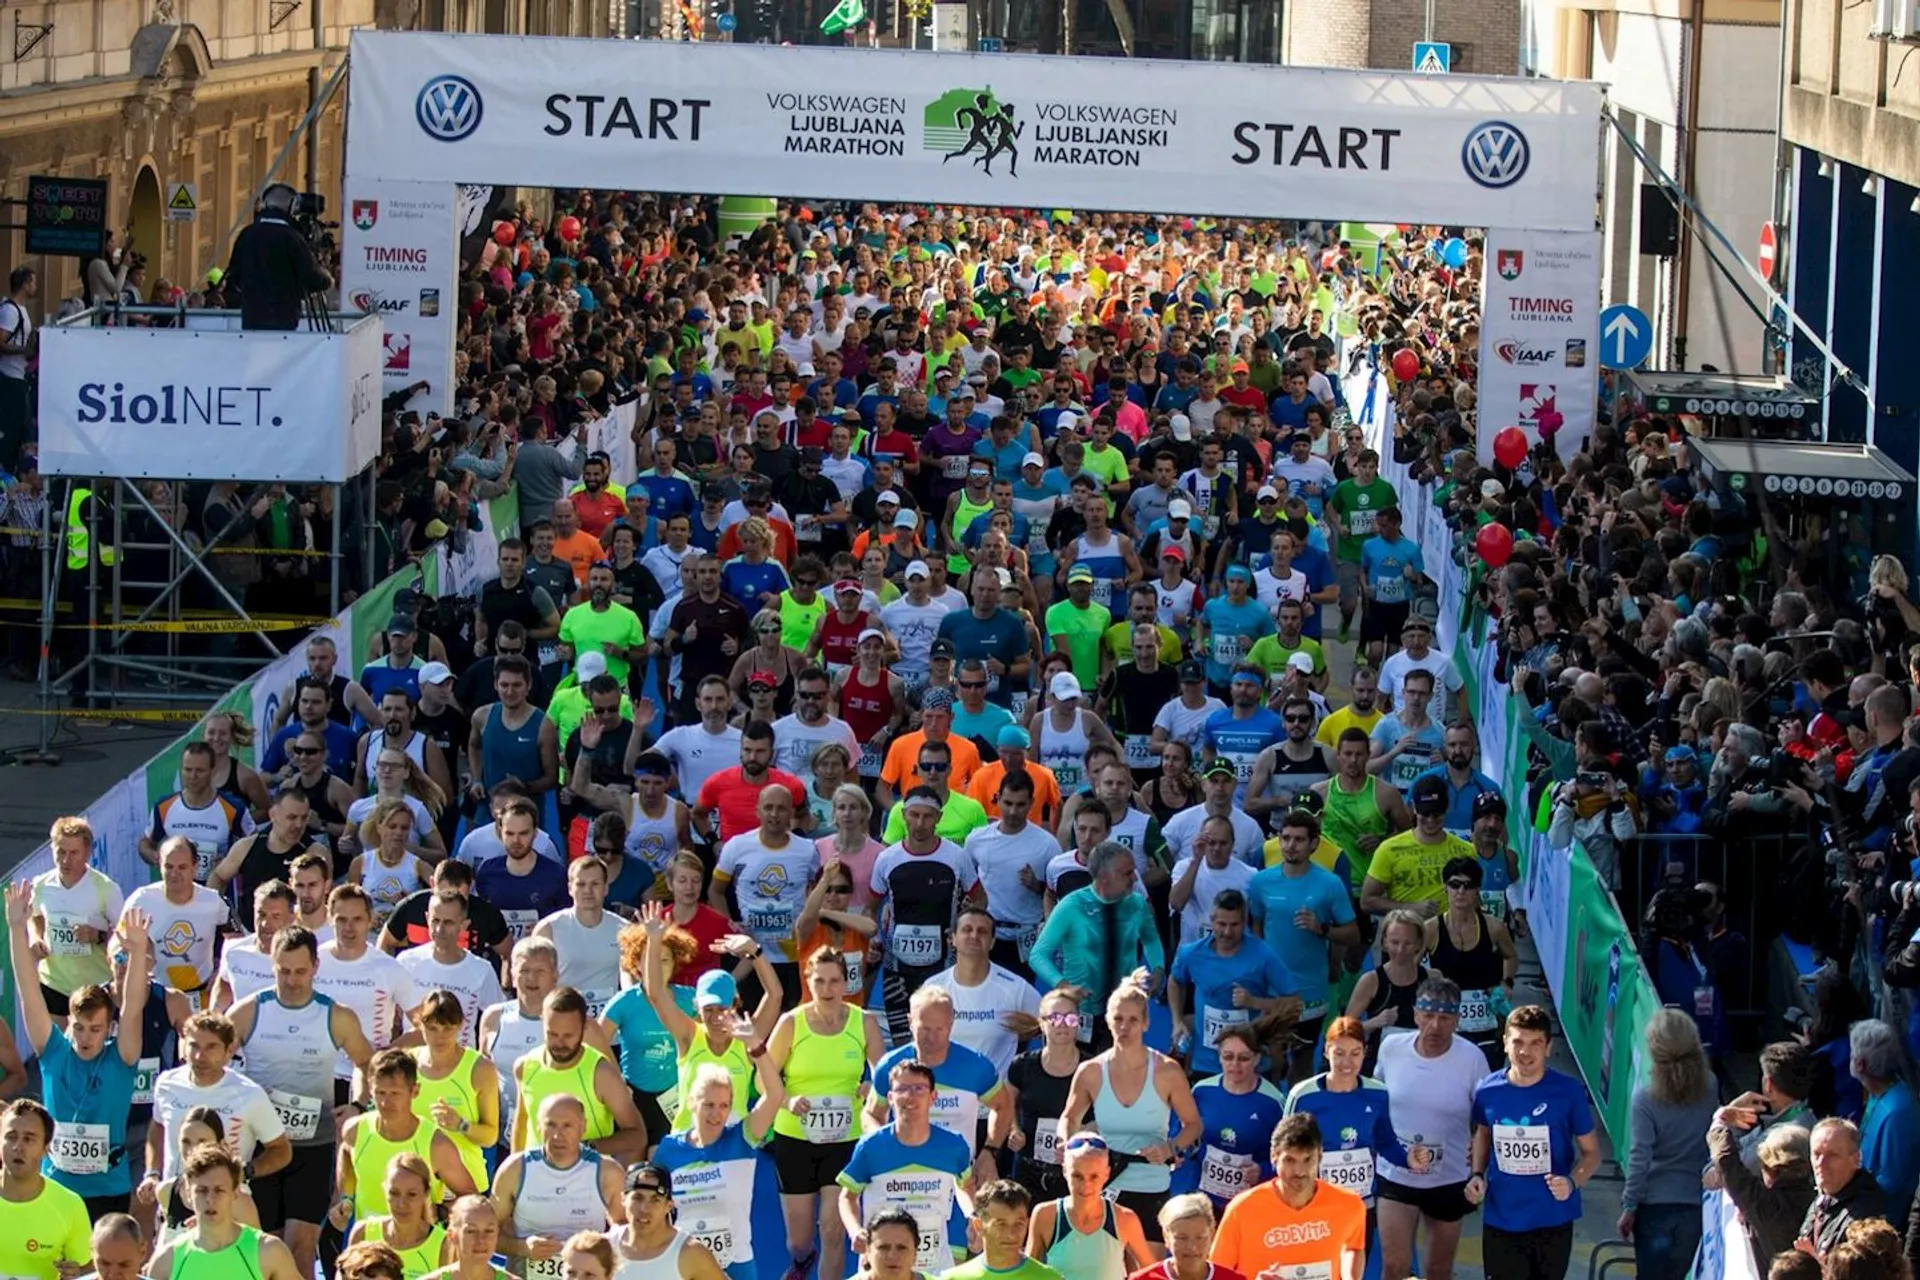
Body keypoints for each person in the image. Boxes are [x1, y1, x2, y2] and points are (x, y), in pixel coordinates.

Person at [224, 924, 373, 1277]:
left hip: (314, 1146)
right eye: (284, 971)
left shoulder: (336, 1016)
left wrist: (359, 1104)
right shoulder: (248, 1012)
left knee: (302, 1246)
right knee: (267, 1245)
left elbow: (369, 1063)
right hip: (263, 1147)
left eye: (301, 971)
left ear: (316, 967)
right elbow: (212, 1060)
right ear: (271, 965)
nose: (292, 980)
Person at [5, 883, 145, 1216]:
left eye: (95, 1029)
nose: (85, 1037)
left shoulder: (121, 1056)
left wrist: (138, 953)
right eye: (79, 1027)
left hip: (109, 1190)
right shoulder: (53, 1052)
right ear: (68, 1022)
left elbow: (133, 1007)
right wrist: (15, 927)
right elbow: (28, 990)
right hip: (56, 1189)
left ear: (109, 1028)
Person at [764, 948, 885, 1280]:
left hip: (845, 1140)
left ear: (846, 983)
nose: (828, 989)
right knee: (798, 1241)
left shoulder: (864, 1022)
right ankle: (803, 1260)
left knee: (833, 1230)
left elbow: (882, 1073)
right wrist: (788, 1101)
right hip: (795, 1137)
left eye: (835, 981)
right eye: (820, 981)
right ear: (808, 980)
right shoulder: (791, 1023)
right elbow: (764, 1079)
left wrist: (869, 1086)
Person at [1058, 980, 1203, 1253]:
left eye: (1133, 1020)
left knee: (1148, 1269)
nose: (1124, 1027)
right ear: (1108, 1021)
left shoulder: (1167, 1071)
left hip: (1150, 1185)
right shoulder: (1090, 1071)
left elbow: (1193, 1125)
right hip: (1103, 1185)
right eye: (1118, 1019)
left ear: (1146, 1023)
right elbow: (1069, 1117)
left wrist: (1169, 1147)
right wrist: (1068, 1146)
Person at [1464, 1005, 1600, 1280]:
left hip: (1552, 1218)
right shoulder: (1487, 1091)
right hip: (1502, 1218)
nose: (1525, 1052)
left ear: (1548, 1048)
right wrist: (1477, 1174)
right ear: (1505, 1043)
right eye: (1518, 1042)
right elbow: (1483, 1133)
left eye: (1535, 1043)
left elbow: (1592, 1153)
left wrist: (1573, 1182)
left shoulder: (1568, 1092)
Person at [1373, 977, 1486, 1280]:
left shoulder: (1472, 1059)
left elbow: (1485, 1118)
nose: (1435, 1026)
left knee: (1438, 1270)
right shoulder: (1391, 1047)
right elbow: (1376, 1101)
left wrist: (1478, 1149)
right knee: (1395, 1267)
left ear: (1457, 1020)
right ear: (1416, 1014)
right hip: (1396, 1175)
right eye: (1428, 1016)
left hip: (1448, 1179)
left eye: (1445, 1018)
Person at [638, 903, 783, 1131]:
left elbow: (775, 995)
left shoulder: (747, 1037)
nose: (715, 1017)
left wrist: (754, 952)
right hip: (689, 1144)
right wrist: (654, 940)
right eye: (708, 1010)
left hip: (733, 1145)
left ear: (735, 1004)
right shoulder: (688, 1035)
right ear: (697, 1007)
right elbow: (655, 993)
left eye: (722, 1009)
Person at [838, 1059, 977, 1275]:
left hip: (933, 1267)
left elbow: (965, 1186)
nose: (910, 1096)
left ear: (933, 1097)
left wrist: (973, 1216)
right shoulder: (871, 1146)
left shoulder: (954, 1145)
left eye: (919, 1088)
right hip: (882, 1265)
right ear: (890, 1098)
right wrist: (855, 1231)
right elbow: (847, 1197)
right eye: (901, 1089)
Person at [653, 1061, 786, 1280]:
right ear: (692, 1103)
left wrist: (756, 1047)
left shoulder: (742, 1139)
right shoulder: (669, 1149)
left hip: (736, 1264)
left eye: (724, 1106)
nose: (716, 1114)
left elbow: (775, 1094)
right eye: (709, 1104)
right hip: (684, 1265)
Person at [1030, 843, 1165, 1048]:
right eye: (1127, 873)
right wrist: (1063, 986)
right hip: (1082, 1012)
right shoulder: (1072, 905)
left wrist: (1158, 969)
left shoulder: (1136, 904)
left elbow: (1151, 940)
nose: (1135, 879)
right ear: (1104, 877)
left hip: (1123, 1012)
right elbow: (1038, 955)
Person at [1620, 1009, 1718, 1280]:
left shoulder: (1646, 1099)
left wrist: (1629, 1206)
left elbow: (1639, 1158)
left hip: (1655, 1207)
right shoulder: (1710, 1085)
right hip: (1695, 1205)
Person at [1209, 1113, 1367, 1280]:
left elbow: (1354, 1246)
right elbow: (1217, 1273)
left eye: (1308, 1160)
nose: (1299, 1171)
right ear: (1274, 1157)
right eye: (1290, 1160)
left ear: (1320, 1156)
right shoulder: (1242, 1209)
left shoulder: (1349, 1205)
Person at [145, 1010, 291, 1185]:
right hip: (174, 1201)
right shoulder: (167, 1083)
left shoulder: (249, 1094)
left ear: (229, 1051)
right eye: (194, 1046)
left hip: (228, 1205)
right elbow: (158, 1127)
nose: (200, 1056)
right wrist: (152, 1173)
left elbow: (281, 1150)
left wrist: (245, 1171)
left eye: (211, 1047)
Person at [1167, 890, 1299, 1082]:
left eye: (1234, 925)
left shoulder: (1263, 955)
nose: (1227, 932)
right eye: (1221, 924)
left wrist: (1255, 1002)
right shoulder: (1192, 953)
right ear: (1212, 921)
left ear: (1244, 922)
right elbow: (1175, 981)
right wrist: (1177, 1021)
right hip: (1206, 1063)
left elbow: (1294, 1002)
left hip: (1251, 1061)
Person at [1286, 1015, 1409, 1215]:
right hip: (1313, 1206)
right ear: (1326, 1051)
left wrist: (1408, 1159)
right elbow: (1283, 1152)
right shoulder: (1303, 1096)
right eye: (1339, 1053)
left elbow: (1385, 1141)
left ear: (1365, 1053)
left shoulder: (1378, 1093)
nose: (1347, 1062)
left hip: (1360, 1206)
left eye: (1355, 1053)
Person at [492, 1095, 626, 1278]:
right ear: (539, 1126)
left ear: (583, 1127)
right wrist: (522, 1247)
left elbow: (625, 1233)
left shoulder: (607, 1172)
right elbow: (487, 1232)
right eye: (551, 1125)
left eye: (567, 1126)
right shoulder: (514, 1169)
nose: (558, 1135)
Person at [510, 986, 648, 1163]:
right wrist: (514, 1174)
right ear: (542, 1022)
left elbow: (637, 1135)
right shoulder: (525, 1066)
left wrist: (585, 1147)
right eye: (552, 1034)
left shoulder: (601, 1073)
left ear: (584, 1027)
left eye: (568, 1035)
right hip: (536, 1181)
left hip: (586, 1181)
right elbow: (521, 1126)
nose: (560, 1043)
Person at [335, 1049, 476, 1221]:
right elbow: (346, 1152)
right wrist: (347, 1199)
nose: (386, 1103)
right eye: (380, 1093)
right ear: (370, 1090)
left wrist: (438, 1212)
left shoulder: (435, 1144)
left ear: (415, 1091)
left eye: (395, 1093)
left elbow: (471, 1198)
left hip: (419, 1246)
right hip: (367, 1242)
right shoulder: (355, 1130)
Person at [1176, 1026, 1289, 1211]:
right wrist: (1178, 1151)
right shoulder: (1202, 1091)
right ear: (1219, 1057)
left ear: (1257, 1059)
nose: (1235, 1064)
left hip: (1250, 1204)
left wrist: (1263, 1171)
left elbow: (1290, 1156)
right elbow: (1180, 1131)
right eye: (1228, 1057)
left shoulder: (1273, 1102)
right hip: (1203, 1200)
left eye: (1243, 1058)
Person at [146, 1146, 301, 1280]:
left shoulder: (269, 1251)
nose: (210, 1199)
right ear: (187, 1193)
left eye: (219, 1190)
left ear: (235, 1192)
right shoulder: (167, 1261)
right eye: (201, 1190)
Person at [1422, 857, 1517, 1067]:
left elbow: (1510, 956)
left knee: (1485, 1075)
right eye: (1455, 884)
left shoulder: (1494, 927)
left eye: (1468, 885)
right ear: (1445, 888)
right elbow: (1410, 966)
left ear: (1477, 890)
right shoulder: (1431, 929)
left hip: (1487, 1019)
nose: (1461, 891)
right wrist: (1427, 977)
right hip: (1445, 1017)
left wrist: (1506, 983)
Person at [28, 817, 125, 1018]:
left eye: (74, 853)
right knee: (56, 1048)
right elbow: (35, 915)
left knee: (90, 1047)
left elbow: (125, 936)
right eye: (61, 852)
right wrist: (35, 937)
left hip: (95, 986)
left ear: (88, 853)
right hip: (54, 982)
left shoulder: (106, 889)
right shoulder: (42, 885)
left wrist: (98, 936)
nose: (66, 860)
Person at [1025, 1135, 1154, 1280]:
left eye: (1094, 1176)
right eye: (1077, 1176)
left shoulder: (1125, 1219)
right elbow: (1028, 1274)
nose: (1086, 1185)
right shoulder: (1045, 1215)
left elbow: (1154, 1273)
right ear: (1065, 1172)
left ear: (1107, 1174)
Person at [410, 989, 500, 1195]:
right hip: (418, 1185)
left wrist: (461, 1125)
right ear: (420, 1025)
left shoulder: (480, 1068)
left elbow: (490, 1136)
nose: (440, 1037)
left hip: (465, 1185)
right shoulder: (408, 1063)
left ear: (460, 1026)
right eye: (432, 1028)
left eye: (448, 1028)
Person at [396, 890, 506, 1048]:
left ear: (464, 925)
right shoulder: (406, 962)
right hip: (414, 1065)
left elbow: (499, 1018)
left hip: (461, 1066)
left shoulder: (481, 970)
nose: (440, 929)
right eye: (435, 921)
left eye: (448, 923)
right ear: (427, 919)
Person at [225, 182, 333, 330]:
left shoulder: (246, 234)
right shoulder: (292, 238)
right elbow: (312, 278)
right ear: (292, 207)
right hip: (283, 322)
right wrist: (327, 278)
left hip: (251, 320)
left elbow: (235, 276)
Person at [1708, 1115, 1815, 1264]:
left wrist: (1718, 1124)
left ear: (1768, 1168)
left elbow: (1726, 1161)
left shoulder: (1764, 1203)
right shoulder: (1821, 1201)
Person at [1849, 1019, 1920, 1224]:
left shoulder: (1896, 1113)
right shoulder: (1878, 1092)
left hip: (1883, 1220)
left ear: (1860, 1064)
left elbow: (1890, 1182)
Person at [606, 1163, 729, 1280]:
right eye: (638, 1198)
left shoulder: (690, 1253)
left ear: (669, 1206)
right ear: (623, 1199)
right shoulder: (605, 1248)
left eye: (655, 1200)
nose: (644, 1208)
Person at [342, 1153, 448, 1280]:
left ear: (426, 1194)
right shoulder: (363, 1232)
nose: (402, 1203)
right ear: (384, 1190)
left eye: (411, 1194)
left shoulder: (443, 1244)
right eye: (394, 1193)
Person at [1795, 1119, 1887, 1260]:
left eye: (1832, 1155)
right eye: (1816, 1154)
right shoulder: (1824, 1197)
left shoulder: (1866, 1213)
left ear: (1855, 1160)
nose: (1820, 1163)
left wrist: (1819, 1268)